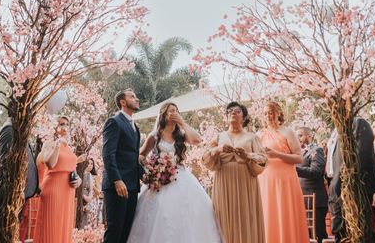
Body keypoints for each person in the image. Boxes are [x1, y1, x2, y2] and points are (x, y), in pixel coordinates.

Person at [127, 102, 222, 242]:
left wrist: (182, 122)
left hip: (181, 176)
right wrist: (152, 166)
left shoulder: (181, 135)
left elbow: (197, 139)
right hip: (159, 179)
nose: (174, 113)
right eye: (171, 110)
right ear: (164, 114)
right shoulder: (154, 136)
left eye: (176, 110)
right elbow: (141, 155)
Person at [203, 101, 267, 243]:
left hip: (246, 182)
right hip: (223, 181)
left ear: (244, 117)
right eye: (230, 111)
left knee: (246, 217)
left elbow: (263, 159)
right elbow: (205, 157)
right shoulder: (219, 137)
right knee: (223, 217)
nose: (233, 112)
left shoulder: (252, 137)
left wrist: (248, 156)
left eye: (237, 111)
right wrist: (218, 149)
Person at [257, 102, 309, 243]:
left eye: (270, 112)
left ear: (278, 113)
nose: (268, 115)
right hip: (265, 180)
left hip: (285, 180)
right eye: (265, 113)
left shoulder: (288, 132)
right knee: (269, 214)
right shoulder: (259, 135)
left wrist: (277, 154)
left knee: (286, 214)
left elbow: (299, 158)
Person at [0, 108, 40, 243]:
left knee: (8, 235)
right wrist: (15, 190)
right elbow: (7, 163)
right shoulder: (9, 130)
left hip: (16, 192)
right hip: (7, 192)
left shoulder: (18, 129)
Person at [326, 118, 375, 243]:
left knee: (359, 231)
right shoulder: (335, 130)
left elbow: (365, 156)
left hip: (353, 187)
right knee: (339, 229)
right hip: (335, 186)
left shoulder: (359, 123)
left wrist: (369, 188)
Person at [102, 89, 143, 243]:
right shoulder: (114, 121)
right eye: (132, 96)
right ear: (123, 102)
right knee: (115, 231)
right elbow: (108, 154)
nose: (136, 98)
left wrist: (144, 174)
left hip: (132, 187)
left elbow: (133, 156)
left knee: (126, 231)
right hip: (117, 187)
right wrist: (117, 180)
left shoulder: (135, 127)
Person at [33, 116, 81, 243]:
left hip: (68, 191)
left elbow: (72, 169)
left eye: (67, 124)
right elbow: (50, 164)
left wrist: (79, 181)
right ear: (56, 128)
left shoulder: (70, 149)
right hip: (53, 188)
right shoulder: (49, 144)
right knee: (52, 226)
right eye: (61, 124)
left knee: (64, 226)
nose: (64, 127)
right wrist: (58, 144)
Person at [296, 127, 328, 243]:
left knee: (318, 235)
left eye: (300, 135)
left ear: (309, 136)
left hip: (315, 200)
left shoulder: (316, 150)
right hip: (302, 199)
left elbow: (316, 171)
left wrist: (294, 169)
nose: (297, 138)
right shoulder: (298, 152)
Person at [80, 159, 99, 228]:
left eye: (92, 164)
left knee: (91, 222)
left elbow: (98, 191)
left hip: (92, 199)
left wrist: (93, 186)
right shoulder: (83, 174)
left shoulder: (94, 176)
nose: (90, 165)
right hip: (84, 197)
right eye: (89, 163)